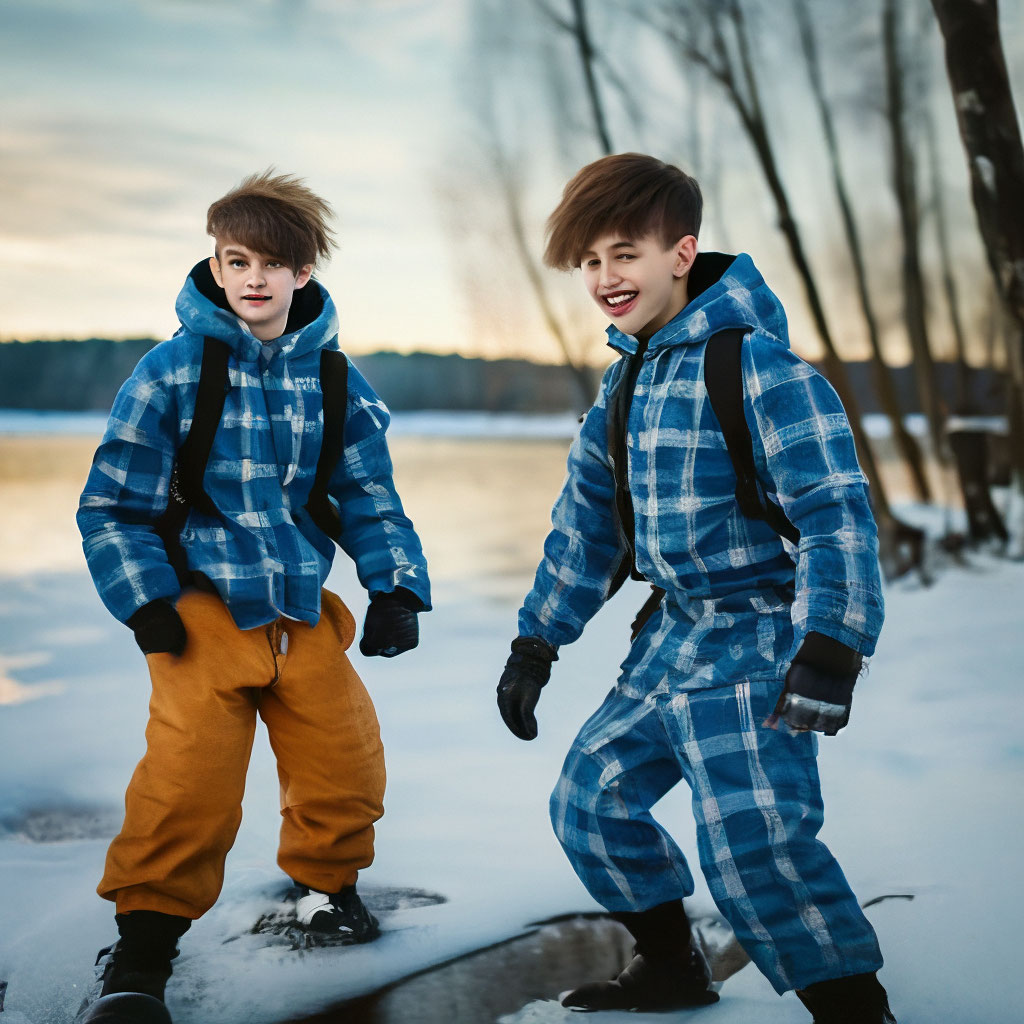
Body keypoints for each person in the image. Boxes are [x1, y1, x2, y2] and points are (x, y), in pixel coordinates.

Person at [496, 153, 894, 1023]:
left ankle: (856, 1011)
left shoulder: (761, 371)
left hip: (758, 641)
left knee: (757, 848)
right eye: (591, 262)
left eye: (623, 254)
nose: (605, 278)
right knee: (589, 802)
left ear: (682, 252)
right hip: (671, 636)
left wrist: (831, 644)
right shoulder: (625, 382)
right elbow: (589, 526)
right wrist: (538, 640)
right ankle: (673, 967)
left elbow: (837, 516)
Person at [77, 171, 430, 1005]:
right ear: (217, 265)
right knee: (186, 783)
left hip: (301, 612)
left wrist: (396, 588)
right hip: (201, 615)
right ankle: (142, 955)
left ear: (304, 272)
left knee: (344, 762)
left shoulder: (337, 380)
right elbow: (113, 505)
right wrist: (147, 602)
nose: (253, 279)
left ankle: (328, 892)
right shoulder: (170, 373)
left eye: (273, 263)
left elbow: (367, 497)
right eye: (236, 260)